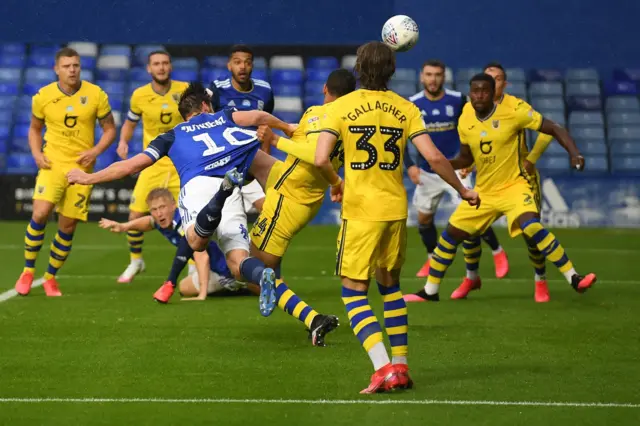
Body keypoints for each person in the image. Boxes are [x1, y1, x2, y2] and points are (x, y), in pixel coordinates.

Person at [67, 83, 333, 337]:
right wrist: (286, 126)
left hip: (199, 186)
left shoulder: (171, 135)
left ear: (185, 115)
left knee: (195, 240)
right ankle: (272, 282)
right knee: (239, 265)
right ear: (207, 106)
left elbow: (131, 166)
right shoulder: (226, 116)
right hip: (234, 186)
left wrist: (88, 178)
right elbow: (260, 115)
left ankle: (218, 199)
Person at [314, 42, 480, 394]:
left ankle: (382, 368)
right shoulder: (406, 108)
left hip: (361, 212)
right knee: (390, 287)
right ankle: (401, 367)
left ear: (359, 68)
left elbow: (320, 158)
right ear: (392, 69)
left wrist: (336, 182)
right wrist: (462, 191)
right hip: (394, 210)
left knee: (353, 292)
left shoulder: (341, 107)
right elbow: (434, 157)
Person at [408, 73, 596, 305]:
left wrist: (574, 153)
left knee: (532, 226)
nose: (479, 96)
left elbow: (554, 128)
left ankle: (574, 278)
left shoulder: (513, 111)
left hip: (514, 186)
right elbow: (466, 158)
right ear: (470, 94)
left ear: (493, 94)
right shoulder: (466, 116)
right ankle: (430, 291)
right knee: (450, 236)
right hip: (484, 191)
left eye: (484, 91)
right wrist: (445, 165)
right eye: (475, 91)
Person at [252, 68, 357, 346]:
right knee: (245, 154)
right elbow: (305, 142)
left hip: (289, 198)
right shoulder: (347, 122)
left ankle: (314, 319)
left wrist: (276, 140)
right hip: (296, 188)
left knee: (254, 273)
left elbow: (314, 155)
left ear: (325, 89)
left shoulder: (319, 115)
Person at [14, 47, 116, 297]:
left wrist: (95, 151)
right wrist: (37, 154)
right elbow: (35, 129)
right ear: (56, 69)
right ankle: (27, 271)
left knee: (68, 225)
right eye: (67, 66)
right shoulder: (43, 96)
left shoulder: (96, 95)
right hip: (53, 164)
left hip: (82, 169)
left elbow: (110, 129)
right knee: (40, 213)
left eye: (76, 65)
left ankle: (49, 277)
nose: (72, 70)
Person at [403, 59, 509, 281]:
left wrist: (470, 162)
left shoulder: (459, 100)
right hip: (427, 171)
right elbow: (401, 138)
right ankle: (432, 257)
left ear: (444, 77)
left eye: (438, 74)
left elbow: (476, 128)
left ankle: (498, 252)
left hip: (457, 170)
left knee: (474, 214)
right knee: (423, 220)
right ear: (422, 77)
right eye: (429, 75)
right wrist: (410, 166)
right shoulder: (412, 104)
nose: (433, 79)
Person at [97, 188, 253, 299]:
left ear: (173, 205)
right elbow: (149, 222)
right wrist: (123, 226)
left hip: (226, 269)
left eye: (162, 207)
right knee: (187, 284)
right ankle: (242, 283)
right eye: (154, 209)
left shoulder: (182, 224)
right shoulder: (164, 219)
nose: (158, 213)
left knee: (185, 287)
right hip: (228, 261)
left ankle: (237, 285)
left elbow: (202, 256)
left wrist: (202, 294)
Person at [115, 51, 188, 284]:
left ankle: (196, 266)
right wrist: (123, 141)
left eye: (165, 63)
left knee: (189, 218)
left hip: (180, 163)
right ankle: (136, 260)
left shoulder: (185, 89)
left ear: (171, 66)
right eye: (156, 64)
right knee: (135, 213)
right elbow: (130, 122)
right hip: (152, 162)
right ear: (149, 69)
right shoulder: (140, 96)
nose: (161, 67)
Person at [208, 44, 276, 212]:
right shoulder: (217, 89)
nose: (242, 67)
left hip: (253, 162)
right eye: (237, 62)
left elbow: (265, 127)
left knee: (272, 212)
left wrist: (265, 162)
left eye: (247, 62)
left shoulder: (265, 90)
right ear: (229, 65)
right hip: (225, 164)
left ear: (252, 65)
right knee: (220, 218)